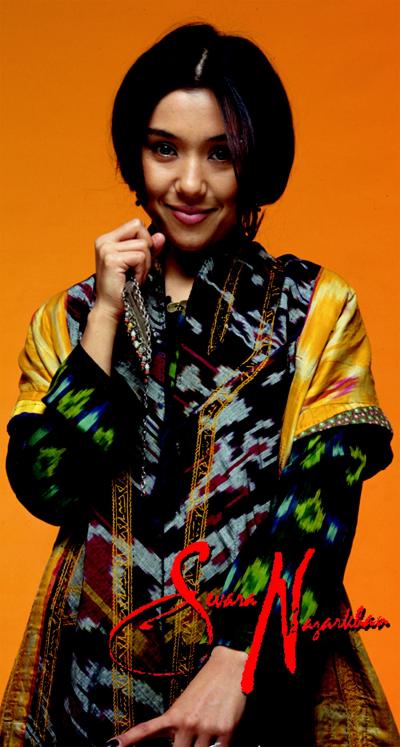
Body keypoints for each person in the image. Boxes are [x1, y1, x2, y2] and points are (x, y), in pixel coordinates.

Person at [0, 22, 398, 747]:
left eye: (220, 153)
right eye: (165, 149)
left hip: (257, 693)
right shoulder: (72, 316)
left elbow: (320, 502)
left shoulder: (315, 309)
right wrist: (106, 319)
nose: (189, 182)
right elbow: (44, 488)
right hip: (90, 697)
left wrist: (237, 660)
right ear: (136, 154)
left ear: (257, 162)